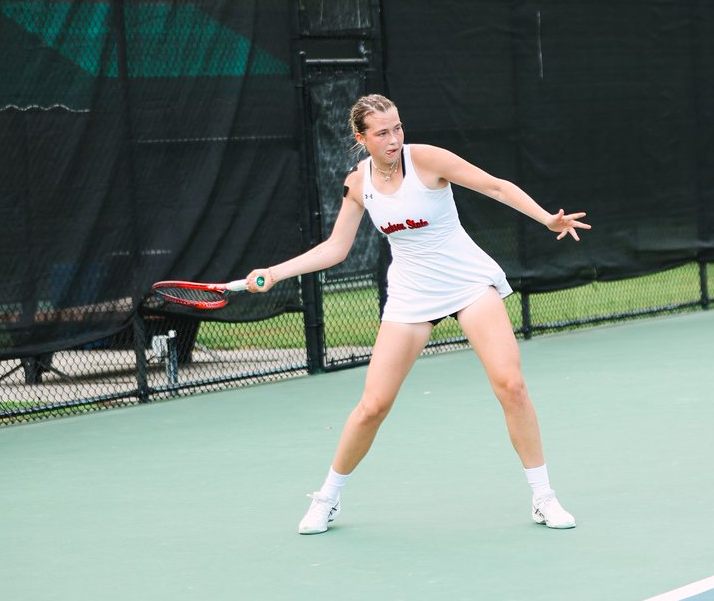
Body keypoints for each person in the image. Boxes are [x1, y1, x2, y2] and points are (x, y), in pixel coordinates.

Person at [246, 94, 589, 534]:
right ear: (361, 138)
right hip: (411, 294)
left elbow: (495, 186)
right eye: (382, 132)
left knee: (512, 384)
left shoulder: (426, 159)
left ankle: (543, 497)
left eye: (398, 128)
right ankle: (327, 498)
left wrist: (546, 219)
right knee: (373, 406)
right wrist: (275, 273)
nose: (394, 139)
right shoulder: (358, 184)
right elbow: (336, 248)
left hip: (466, 281)